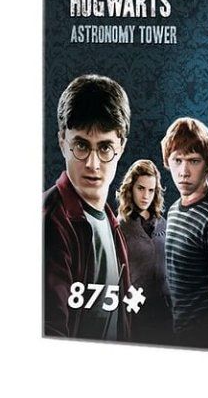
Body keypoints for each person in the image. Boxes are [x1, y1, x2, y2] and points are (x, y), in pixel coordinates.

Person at [43, 74, 132, 340]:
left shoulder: (111, 222)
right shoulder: (50, 222)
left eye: (105, 148)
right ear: (62, 141)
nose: (93, 164)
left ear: (121, 147)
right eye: (81, 145)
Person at [161, 117, 208, 339]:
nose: (184, 171)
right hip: (179, 331)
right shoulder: (173, 211)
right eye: (177, 160)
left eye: (194, 161)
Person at [116, 159, 171, 342]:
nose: (146, 196)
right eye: (141, 188)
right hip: (135, 310)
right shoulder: (120, 227)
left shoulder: (163, 223)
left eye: (151, 190)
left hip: (165, 309)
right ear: (131, 188)